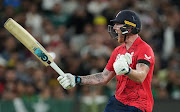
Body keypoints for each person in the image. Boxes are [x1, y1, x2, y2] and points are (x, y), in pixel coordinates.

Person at [57, 10, 155, 112]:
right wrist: (76, 79)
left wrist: (127, 71)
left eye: (118, 24)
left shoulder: (144, 48)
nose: (114, 28)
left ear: (129, 28)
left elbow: (141, 77)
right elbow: (104, 77)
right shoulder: (118, 51)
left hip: (139, 105)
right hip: (118, 102)